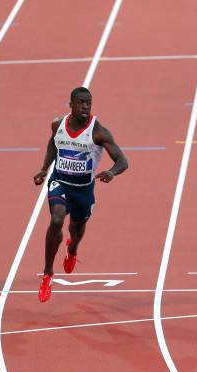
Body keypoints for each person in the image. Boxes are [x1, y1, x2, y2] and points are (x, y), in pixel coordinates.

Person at [33, 87, 128, 302]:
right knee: (56, 219)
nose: (86, 106)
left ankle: (72, 249)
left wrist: (112, 173)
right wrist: (44, 168)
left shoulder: (98, 132)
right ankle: (47, 274)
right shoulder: (58, 125)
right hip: (60, 181)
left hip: (83, 190)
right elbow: (53, 145)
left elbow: (123, 161)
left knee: (76, 229)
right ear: (71, 104)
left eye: (89, 103)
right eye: (82, 103)